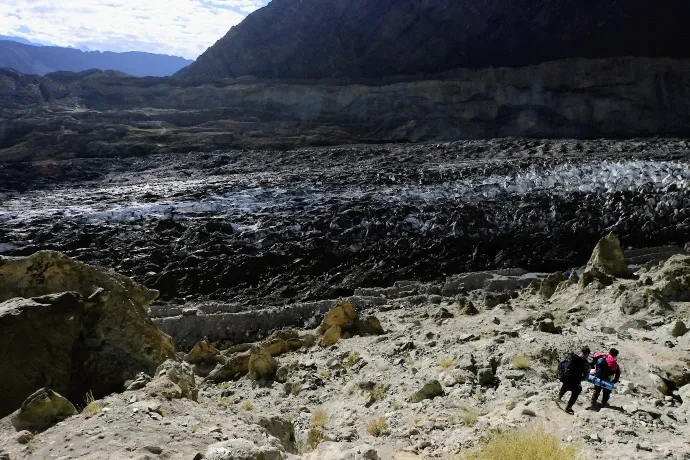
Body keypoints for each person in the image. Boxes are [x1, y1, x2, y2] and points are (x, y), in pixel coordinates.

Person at [557, 346, 591, 414]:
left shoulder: (572, 357)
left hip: (566, 378)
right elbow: (585, 377)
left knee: (565, 386)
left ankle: (559, 397)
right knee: (577, 390)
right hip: (576, 380)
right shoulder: (586, 364)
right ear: (587, 353)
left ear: (581, 351)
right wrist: (579, 379)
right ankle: (568, 407)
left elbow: (563, 364)